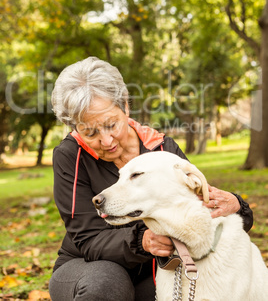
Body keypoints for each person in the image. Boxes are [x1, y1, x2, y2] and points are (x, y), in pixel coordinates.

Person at [49, 57, 253, 301]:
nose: (106, 141)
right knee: (107, 284)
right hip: (87, 265)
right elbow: (87, 238)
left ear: (125, 106)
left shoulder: (162, 149)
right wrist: (141, 241)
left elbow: (199, 208)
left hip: (156, 270)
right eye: (90, 132)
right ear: (74, 128)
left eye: (111, 125)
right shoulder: (70, 156)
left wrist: (238, 207)